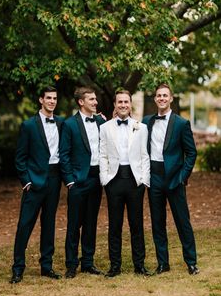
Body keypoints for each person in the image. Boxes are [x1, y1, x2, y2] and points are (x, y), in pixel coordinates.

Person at [142, 83, 199, 275]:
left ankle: (191, 262)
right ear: (155, 98)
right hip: (154, 177)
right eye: (159, 95)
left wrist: (183, 177)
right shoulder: (146, 121)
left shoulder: (181, 123)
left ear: (171, 98)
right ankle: (162, 263)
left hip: (175, 179)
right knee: (158, 223)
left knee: (183, 222)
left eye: (165, 95)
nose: (162, 98)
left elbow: (191, 153)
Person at [10, 86, 63, 284]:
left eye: (55, 98)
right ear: (41, 100)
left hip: (55, 179)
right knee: (25, 225)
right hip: (34, 181)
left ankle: (46, 266)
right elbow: (20, 157)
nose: (52, 101)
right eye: (48, 98)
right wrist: (26, 182)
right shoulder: (28, 125)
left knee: (49, 224)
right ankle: (18, 268)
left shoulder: (61, 123)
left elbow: (81, 125)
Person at [99, 89, 150, 277]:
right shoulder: (105, 128)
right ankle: (115, 266)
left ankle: (139, 265)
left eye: (126, 102)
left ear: (130, 104)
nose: (123, 105)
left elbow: (145, 155)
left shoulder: (141, 127)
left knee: (136, 225)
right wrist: (105, 179)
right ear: (115, 104)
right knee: (115, 225)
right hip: (114, 181)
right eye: (119, 102)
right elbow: (102, 154)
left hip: (135, 181)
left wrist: (144, 180)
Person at [60, 86, 105, 279]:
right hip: (78, 181)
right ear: (81, 102)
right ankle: (71, 264)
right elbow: (64, 155)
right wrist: (69, 181)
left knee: (91, 222)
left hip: (97, 178)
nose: (95, 102)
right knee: (74, 224)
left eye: (95, 99)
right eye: (91, 99)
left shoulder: (101, 122)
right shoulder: (69, 124)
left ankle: (88, 262)